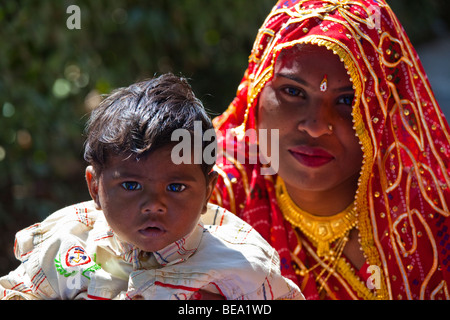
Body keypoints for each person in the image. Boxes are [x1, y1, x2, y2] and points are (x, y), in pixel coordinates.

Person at [211, 0, 450, 300]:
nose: (316, 126)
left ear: (385, 111)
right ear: (255, 93)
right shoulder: (209, 194)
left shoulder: (430, 223)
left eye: (348, 101)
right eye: (294, 92)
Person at [0, 73, 302, 300]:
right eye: (131, 185)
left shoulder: (239, 263)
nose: (154, 204)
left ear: (209, 191)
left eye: (176, 188)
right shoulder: (67, 244)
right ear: (95, 188)